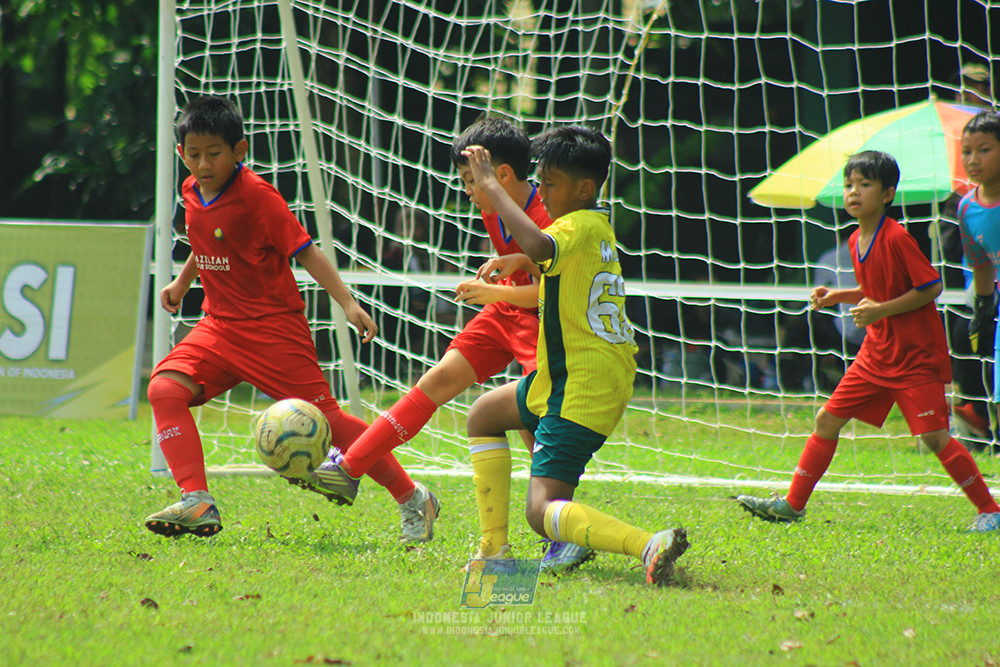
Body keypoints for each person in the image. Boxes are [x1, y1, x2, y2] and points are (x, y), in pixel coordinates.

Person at [144, 96, 438, 543]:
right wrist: (183, 284)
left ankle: (414, 498)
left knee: (331, 421)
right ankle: (196, 500)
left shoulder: (258, 198)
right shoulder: (190, 190)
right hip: (219, 326)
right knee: (164, 388)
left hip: (271, 330)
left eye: (214, 153)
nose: (203, 164)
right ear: (181, 153)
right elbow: (205, 239)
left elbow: (307, 251)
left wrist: (347, 303)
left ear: (240, 150)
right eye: (194, 154)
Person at [310, 116, 591, 572]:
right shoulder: (491, 207)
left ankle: (563, 533)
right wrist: (501, 269)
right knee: (438, 380)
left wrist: (494, 291)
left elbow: (548, 293)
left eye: (469, 181)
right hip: (503, 314)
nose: (467, 191)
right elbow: (521, 267)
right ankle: (349, 468)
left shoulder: (545, 218)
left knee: (533, 428)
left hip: (543, 325)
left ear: (500, 176)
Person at [460, 126, 688, 585]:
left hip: (582, 383)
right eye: (540, 182)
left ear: (585, 188)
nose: (542, 191)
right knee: (483, 415)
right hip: (571, 375)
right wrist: (522, 264)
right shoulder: (594, 226)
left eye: (551, 184)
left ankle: (648, 544)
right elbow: (550, 259)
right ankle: (494, 549)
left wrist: (491, 188)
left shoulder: (572, 226)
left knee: (541, 512)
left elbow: (542, 243)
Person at [738, 150, 1000, 533]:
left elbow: (930, 287)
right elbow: (876, 287)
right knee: (827, 420)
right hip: (877, 353)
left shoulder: (897, 236)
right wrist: (838, 296)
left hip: (914, 355)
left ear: (888, 193)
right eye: (848, 185)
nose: (853, 192)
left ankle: (990, 509)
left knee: (933, 436)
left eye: (864, 184)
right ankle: (792, 505)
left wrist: (880, 311)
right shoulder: (856, 239)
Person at [960, 111, 1000, 459]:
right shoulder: (967, 207)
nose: (973, 159)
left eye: (984, 149)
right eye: (966, 151)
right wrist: (983, 309)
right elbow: (982, 264)